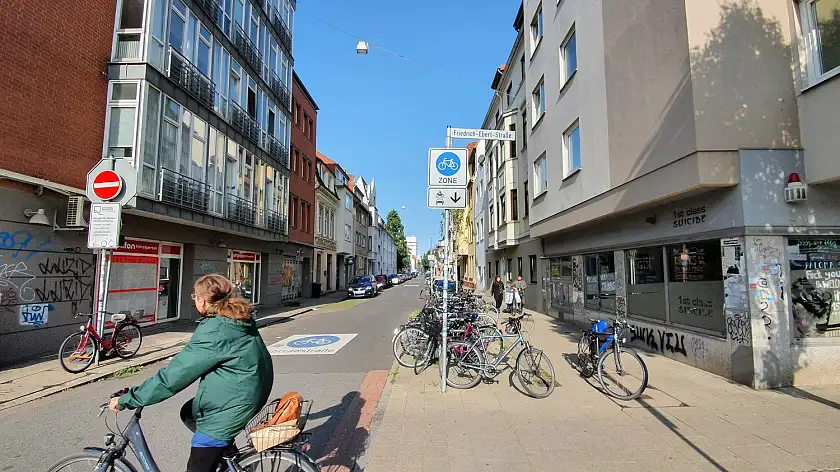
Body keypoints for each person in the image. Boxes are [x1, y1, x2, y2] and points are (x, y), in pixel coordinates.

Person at [110, 274, 274, 472]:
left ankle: (219, 451)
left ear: (202, 301)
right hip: (249, 388)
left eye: (194, 296)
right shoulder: (232, 319)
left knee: (200, 459)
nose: (194, 300)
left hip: (237, 399)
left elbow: (172, 378)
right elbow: (200, 357)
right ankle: (227, 455)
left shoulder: (215, 330)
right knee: (190, 413)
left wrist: (128, 399)